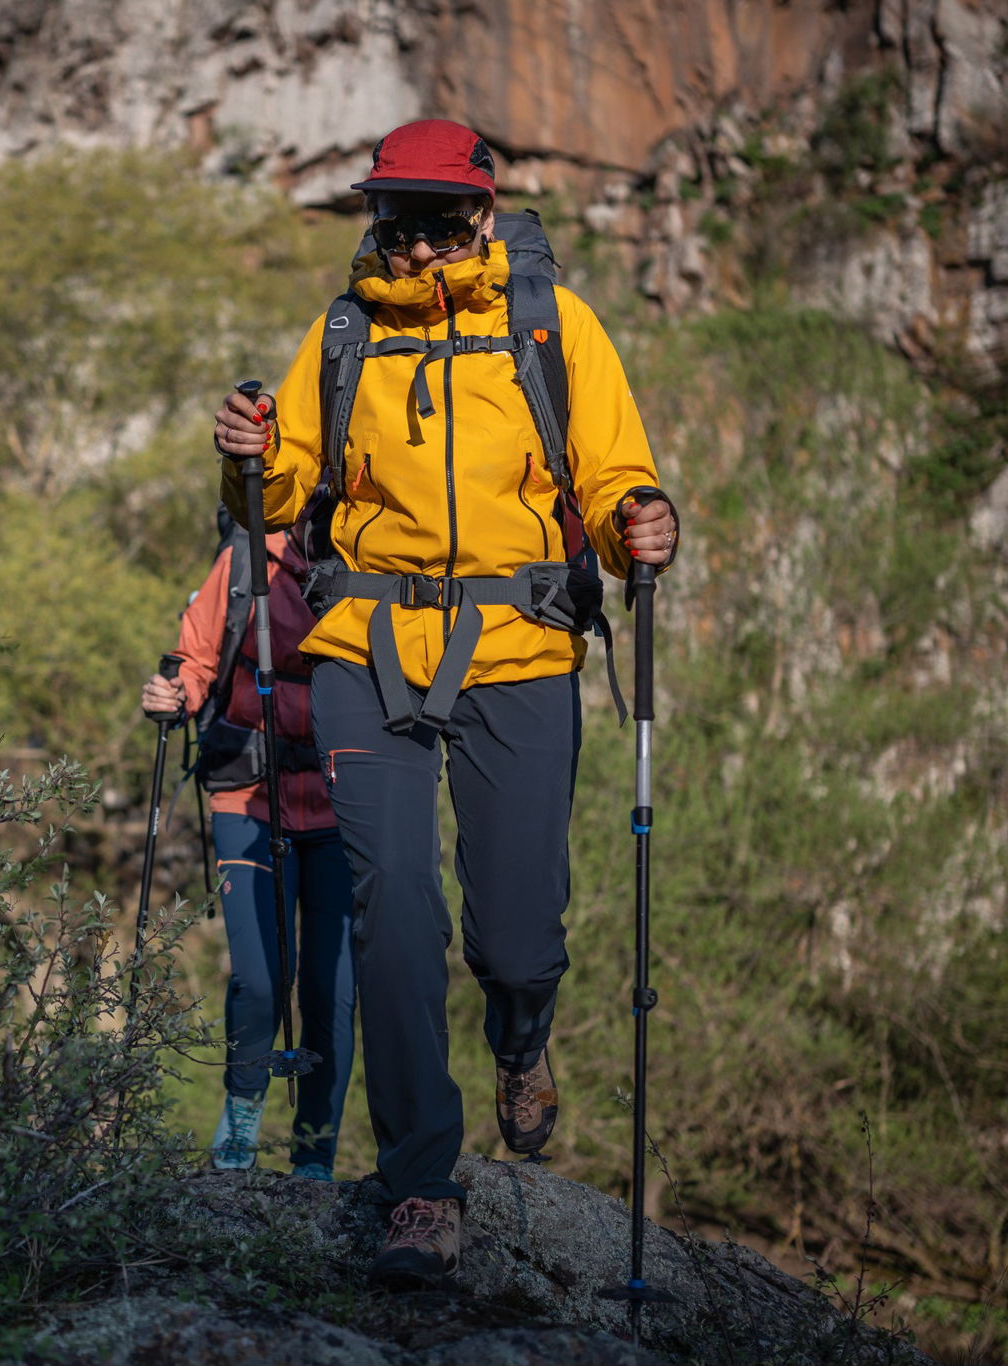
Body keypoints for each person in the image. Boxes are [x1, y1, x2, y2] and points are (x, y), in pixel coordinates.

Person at [210, 118, 679, 1291]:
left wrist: (641, 527)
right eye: (392, 217)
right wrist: (244, 454)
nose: (413, 241)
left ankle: (522, 1040)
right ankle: (420, 1183)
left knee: (516, 935)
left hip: (518, 646)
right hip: (364, 646)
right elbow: (282, 488)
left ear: (482, 212)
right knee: (392, 913)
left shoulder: (549, 324)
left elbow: (613, 468)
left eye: (435, 218)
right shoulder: (343, 332)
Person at [138, 507, 356, 1182]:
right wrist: (174, 692)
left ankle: (315, 1154)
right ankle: (238, 1126)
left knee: (333, 990)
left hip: (347, 800)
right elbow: (197, 655)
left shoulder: (379, 551)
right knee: (261, 979)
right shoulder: (245, 559)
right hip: (247, 791)